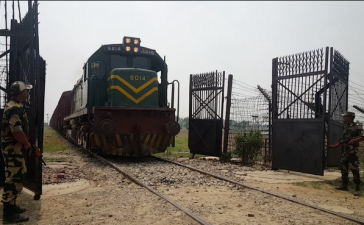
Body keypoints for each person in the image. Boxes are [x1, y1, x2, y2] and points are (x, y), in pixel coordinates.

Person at [1, 81, 33, 223]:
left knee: (17, 176)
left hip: (13, 149)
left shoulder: (14, 107)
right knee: (13, 179)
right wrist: (26, 144)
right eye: (26, 91)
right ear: (21, 93)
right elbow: (16, 131)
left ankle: (12, 206)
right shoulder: (14, 109)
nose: (27, 93)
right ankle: (8, 214)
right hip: (13, 149)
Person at [329, 111, 362, 196]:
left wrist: (355, 140)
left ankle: (357, 188)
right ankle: (344, 185)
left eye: (345, 117)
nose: (344, 118)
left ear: (350, 117)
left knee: (354, 169)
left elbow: (362, 136)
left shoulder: (357, 127)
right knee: (343, 168)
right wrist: (337, 144)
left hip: (352, 152)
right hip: (344, 151)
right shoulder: (345, 127)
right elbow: (344, 139)